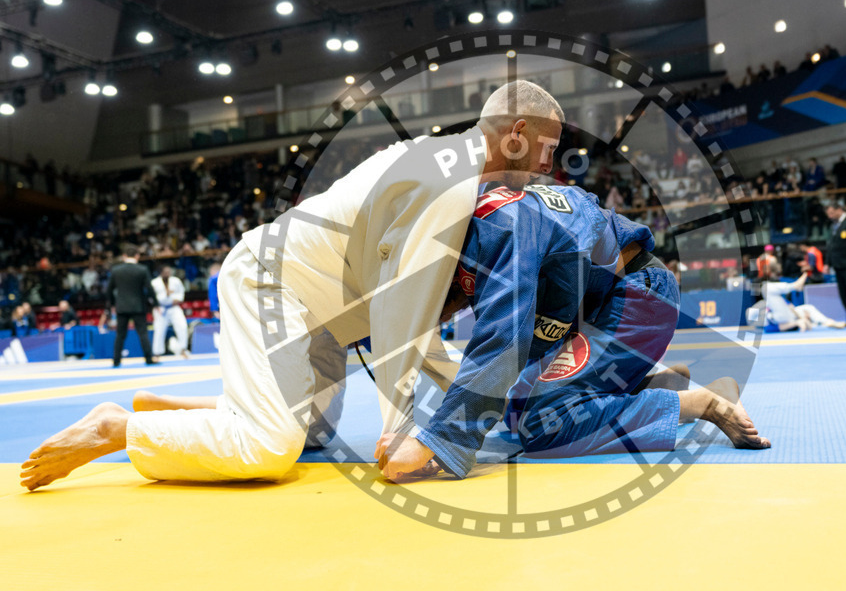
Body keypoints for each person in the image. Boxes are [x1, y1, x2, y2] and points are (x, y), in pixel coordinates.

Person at [20, 80, 567, 491]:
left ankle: (189, 408)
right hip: (272, 282)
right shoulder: (449, 184)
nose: (549, 165)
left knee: (313, 435)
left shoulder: (437, 155)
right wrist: (404, 433)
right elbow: (403, 313)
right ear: (517, 134)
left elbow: (402, 309)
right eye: (548, 147)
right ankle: (118, 428)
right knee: (268, 449)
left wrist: (484, 402)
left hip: (323, 317)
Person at [376, 182, 770, 480]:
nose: (444, 318)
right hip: (604, 305)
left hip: (635, 296)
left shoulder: (496, 232)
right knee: (514, 410)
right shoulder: (482, 222)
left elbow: (503, 342)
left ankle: (703, 403)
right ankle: (657, 386)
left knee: (545, 422)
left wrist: (437, 442)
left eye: (435, 311)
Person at [108, 244, 157, 367]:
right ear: (137, 256)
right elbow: (149, 289)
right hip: (138, 306)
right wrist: (155, 304)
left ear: (124, 256)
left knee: (120, 334)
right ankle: (149, 358)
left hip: (122, 306)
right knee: (142, 333)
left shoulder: (116, 270)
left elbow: (109, 290)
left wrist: (112, 304)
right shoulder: (142, 269)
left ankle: (116, 360)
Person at [762, 266, 844, 332]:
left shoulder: (776, 302)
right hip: (782, 319)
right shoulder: (767, 313)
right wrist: (796, 323)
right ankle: (795, 285)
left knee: (808, 307)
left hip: (789, 316)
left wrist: (801, 318)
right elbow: (769, 328)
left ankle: (827, 321)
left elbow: (791, 307)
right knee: (766, 288)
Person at [151, 266, 189, 356]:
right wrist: (160, 301)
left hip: (174, 307)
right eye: (166, 272)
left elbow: (181, 292)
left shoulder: (175, 281)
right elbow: (152, 297)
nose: (168, 273)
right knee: (159, 330)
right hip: (161, 308)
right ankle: (157, 352)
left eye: (169, 272)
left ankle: (183, 348)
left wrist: (178, 299)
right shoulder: (154, 283)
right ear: (161, 272)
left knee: (182, 326)